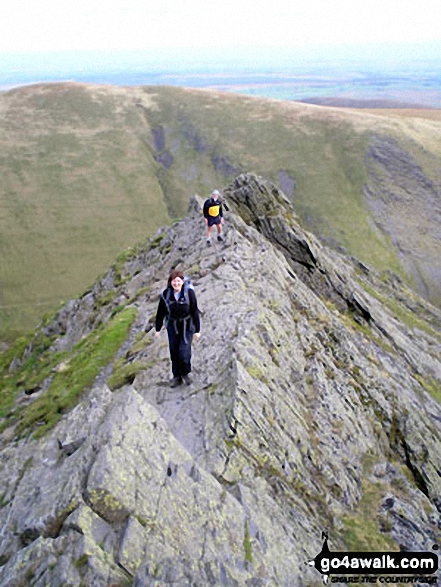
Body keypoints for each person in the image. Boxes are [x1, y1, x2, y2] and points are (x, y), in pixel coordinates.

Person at [155, 270, 200, 387]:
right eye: (174, 281)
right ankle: (177, 376)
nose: (176, 283)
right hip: (172, 326)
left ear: (182, 282)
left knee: (183, 352)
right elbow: (160, 313)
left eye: (178, 281)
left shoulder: (189, 293)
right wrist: (157, 329)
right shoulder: (165, 295)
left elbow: (195, 311)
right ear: (170, 283)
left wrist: (197, 330)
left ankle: (185, 373)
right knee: (174, 352)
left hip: (187, 326)